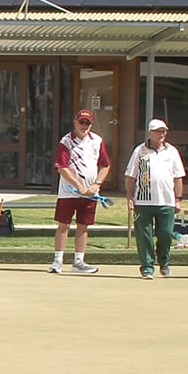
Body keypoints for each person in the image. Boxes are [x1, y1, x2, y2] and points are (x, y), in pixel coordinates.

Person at [124, 119, 186, 279]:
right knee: (144, 236)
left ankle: (164, 262)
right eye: (158, 131)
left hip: (166, 201)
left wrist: (178, 199)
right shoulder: (140, 151)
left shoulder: (172, 151)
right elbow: (131, 176)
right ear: (150, 132)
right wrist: (130, 197)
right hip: (143, 201)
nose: (161, 134)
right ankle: (147, 267)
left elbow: (178, 176)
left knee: (165, 233)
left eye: (164, 131)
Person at [50, 109, 110, 274]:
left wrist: (96, 185)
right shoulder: (66, 141)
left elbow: (105, 165)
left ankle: (79, 261)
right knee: (64, 225)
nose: (84, 126)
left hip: (90, 192)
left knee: (83, 226)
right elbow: (62, 167)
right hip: (68, 191)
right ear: (75, 122)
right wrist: (79, 186)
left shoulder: (97, 140)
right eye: (81, 122)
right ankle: (57, 261)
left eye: (87, 123)